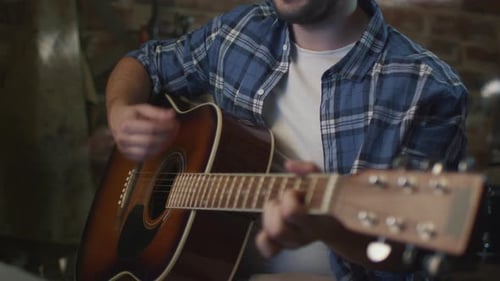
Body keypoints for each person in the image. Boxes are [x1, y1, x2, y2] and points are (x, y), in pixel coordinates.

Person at [105, 0, 468, 280]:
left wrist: (327, 228)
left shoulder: (425, 87)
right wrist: (121, 112)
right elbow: (146, 62)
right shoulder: (242, 31)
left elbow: (407, 259)